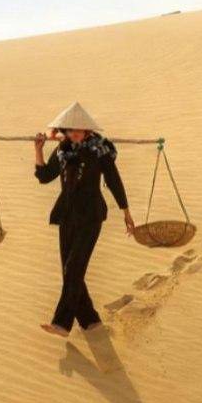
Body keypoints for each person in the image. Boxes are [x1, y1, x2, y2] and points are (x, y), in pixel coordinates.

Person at [33, 101, 135, 338]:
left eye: (78, 128)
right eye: (69, 129)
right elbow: (45, 176)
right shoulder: (62, 150)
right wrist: (38, 149)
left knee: (73, 268)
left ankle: (62, 324)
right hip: (67, 215)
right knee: (69, 270)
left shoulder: (100, 151)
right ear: (65, 131)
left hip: (91, 216)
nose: (74, 132)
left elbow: (113, 180)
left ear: (88, 130)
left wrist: (126, 212)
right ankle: (90, 321)